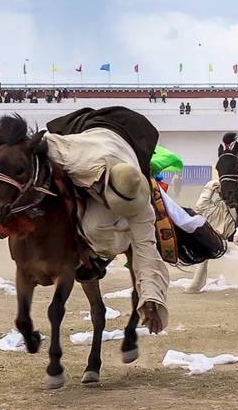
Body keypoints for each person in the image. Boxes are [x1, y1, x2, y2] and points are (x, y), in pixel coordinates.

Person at [44, 107, 169, 334]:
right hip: (89, 135)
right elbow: (42, 143)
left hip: (131, 137)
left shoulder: (141, 208)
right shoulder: (78, 161)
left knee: (109, 227)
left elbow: (147, 251)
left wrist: (150, 299)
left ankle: (97, 256)